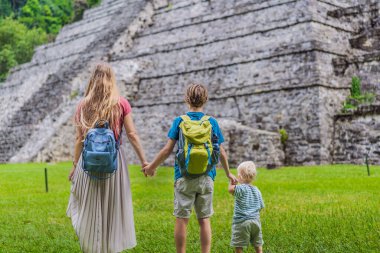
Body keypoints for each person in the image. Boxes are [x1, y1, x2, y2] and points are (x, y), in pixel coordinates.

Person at [143, 83, 238, 253]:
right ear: (205, 99)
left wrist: (151, 167)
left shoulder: (179, 121)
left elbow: (167, 150)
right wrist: (228, 173)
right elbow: (221, 152)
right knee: (204, 220)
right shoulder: (212, 122)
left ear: (187, 99)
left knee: (182, 219)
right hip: (207, 177)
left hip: (184, 177)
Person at [66, 62, 148, 253]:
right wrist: (144, 161)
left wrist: (74, 165)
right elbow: (132, 134)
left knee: (88, 205)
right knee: (112, 207)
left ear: (92, 79)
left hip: (88, 162)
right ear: (111, 79)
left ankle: (92, 246)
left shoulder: (83, 105)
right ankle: (109, 246)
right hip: (114, 162)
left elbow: (79, 139)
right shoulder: (121, 103)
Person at [228, 161, 265, 253]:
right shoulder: (257, 190)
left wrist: (231, 182)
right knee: (258, 243)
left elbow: (231, 190)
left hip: (242, 222)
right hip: (255, 222)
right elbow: (261, 206)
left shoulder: (241, 188)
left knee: (239, 244)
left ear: (240, 176)